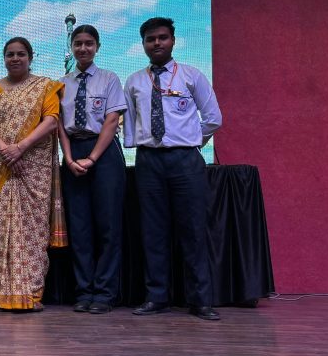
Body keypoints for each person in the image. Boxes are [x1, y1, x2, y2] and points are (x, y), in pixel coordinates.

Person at [124, 17, 223, 321]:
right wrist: (136, 145)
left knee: (193, 230)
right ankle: (157, 297)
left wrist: (191, 140)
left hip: (186, 161)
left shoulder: (192, 76)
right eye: (150, 39)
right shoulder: (134, 81)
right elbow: (130, 124)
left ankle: (201, 300)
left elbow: (213, 118)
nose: (157, 43)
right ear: (143, 44)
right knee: (153, 231)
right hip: (148, 161)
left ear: (173, 41)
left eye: (162, 38)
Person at [0, 37, 64, 311]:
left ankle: (31, 293)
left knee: (32, 230)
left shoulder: (45, 87)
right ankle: (3, 293)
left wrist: (21, 147)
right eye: (10, 54)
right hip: (3, 165)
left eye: (21, 54)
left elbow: (51, 121)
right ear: (4, 58)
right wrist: (7, 151)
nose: (15, 59)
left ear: (30, 57)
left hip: (33, 168)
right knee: (2, 227)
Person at [57, 24, 127, 315]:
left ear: (97, 47)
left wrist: (93, 158)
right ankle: (84, 291)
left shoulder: (110, 79)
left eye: (88, 43)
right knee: (79, 227)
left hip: (104, 153)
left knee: (108, 225)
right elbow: (59, 125)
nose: (83, 48)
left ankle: (105, 293)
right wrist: (69, 157)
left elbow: (111, 121)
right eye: (78, 43)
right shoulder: (61, 84)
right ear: (72, 47)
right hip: (73, 151)